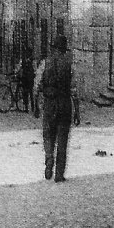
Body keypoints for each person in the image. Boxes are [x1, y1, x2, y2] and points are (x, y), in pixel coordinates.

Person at [40, 35, 73, 182]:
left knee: (48, 135)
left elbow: (37, 85)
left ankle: (48, 158)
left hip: (49, 103)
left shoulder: (45, 63)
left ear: (54, 49)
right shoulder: (69, 64)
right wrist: (77, 110)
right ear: (64, 50)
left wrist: (36, 104)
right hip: (64, 103)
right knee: (62, 139)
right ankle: (59, 174)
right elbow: (74, 89)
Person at [19, 48, 36, 114]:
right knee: (26, 93)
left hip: (29, 78)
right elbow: (20, 67)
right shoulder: (24, 60)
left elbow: (34, 69)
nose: (28, 54)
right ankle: (27, 107)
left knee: (30, 93)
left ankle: (31, 107)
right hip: (25, 78)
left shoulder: (32, 60)